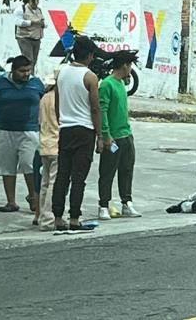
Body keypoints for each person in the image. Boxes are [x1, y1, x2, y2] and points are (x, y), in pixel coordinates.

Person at [0, 55, 44, 213]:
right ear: (13, 70)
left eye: (28, 70)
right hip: (3, 130)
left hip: (29, 130)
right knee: (6, 166)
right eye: (22, 71)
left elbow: (46, 102)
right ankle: (11, 202)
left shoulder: (36, 83)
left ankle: (33, 196)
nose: (26, 74)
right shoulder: (0, 83)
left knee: (29, 164)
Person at [51, 36, 102, 232]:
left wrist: (61, 121)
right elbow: (95, 109)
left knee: (63, 174)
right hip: (84, 130)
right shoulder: (90, 77)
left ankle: (57, 217)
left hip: (66, 128)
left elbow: (57, 102)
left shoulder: (62, 73)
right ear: (89, 55)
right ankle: (74, 218)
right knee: (78, 177)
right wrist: (99, 135)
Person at [97, 50, 142, 220]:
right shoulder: (107, 84)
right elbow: (103, 110)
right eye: (130, 65)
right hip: (113, 136)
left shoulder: (122, 84)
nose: (130, 69)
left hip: (126, 134)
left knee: (127, 169)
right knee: (108, 171)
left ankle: (126, 202)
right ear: (124, 65)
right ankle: (103, 204)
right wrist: (106, 135)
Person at [35, 72, 59, 231]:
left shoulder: (44, 98)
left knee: (44, 183)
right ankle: (49, 219)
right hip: (57, 143)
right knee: (53, 183)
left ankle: (42, 215)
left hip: (44, 144)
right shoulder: (61, 98)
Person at [14, 0, 46, 72]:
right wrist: (32, 22)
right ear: (29, 1)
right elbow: (18, 22)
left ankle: (31, 76)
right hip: (25, 38)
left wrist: (43, 24)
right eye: (33, 2)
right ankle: (28, 77)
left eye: (37, 2)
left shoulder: (39, 10)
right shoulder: (21, 9)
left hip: (37, 38)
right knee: (29, 59)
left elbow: (43, 22)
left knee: (34, 61)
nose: (35, 4)